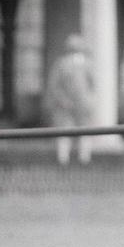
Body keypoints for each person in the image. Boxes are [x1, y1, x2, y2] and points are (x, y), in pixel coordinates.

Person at [46, 33, 95, 165]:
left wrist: (88, 100)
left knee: (85, 130)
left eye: (78, 46)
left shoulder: (87, 64)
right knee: (64, 131)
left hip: (83, 104)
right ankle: (63, 160)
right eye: (73, 47)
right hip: (65, 105)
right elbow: (54, 84)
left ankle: (84, 159)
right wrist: (63, 100)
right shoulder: (61, 64)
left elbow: (92, 84)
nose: (75, 49)